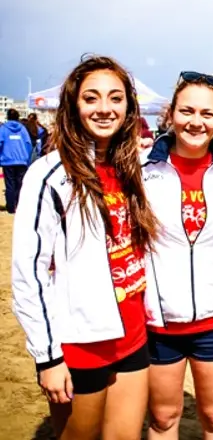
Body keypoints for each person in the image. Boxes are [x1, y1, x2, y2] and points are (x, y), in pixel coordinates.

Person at [11, 55, 158, 439]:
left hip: (133, 336)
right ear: (73, 106)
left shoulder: (136, 168)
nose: (104, 108)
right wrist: (48, 358)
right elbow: (29, 272)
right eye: (91, 98)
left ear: (129, 107)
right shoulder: (50, 175)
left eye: (115, 98)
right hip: (80, 342)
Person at [142, 71, 213, 440]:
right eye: (187, 110)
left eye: (207, 113)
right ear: (171, 113)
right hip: (159, 320)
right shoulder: (142, 168)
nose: (195, 122)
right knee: (165, 418)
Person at [0, 108, 32, 213]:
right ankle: (19, 205)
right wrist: (27, 157)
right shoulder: (22, 129)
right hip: (22, 160)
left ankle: (10, 207)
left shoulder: (3, 129)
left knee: (10, 185)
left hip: (7, 160)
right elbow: (28, 144)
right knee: (20, 184)